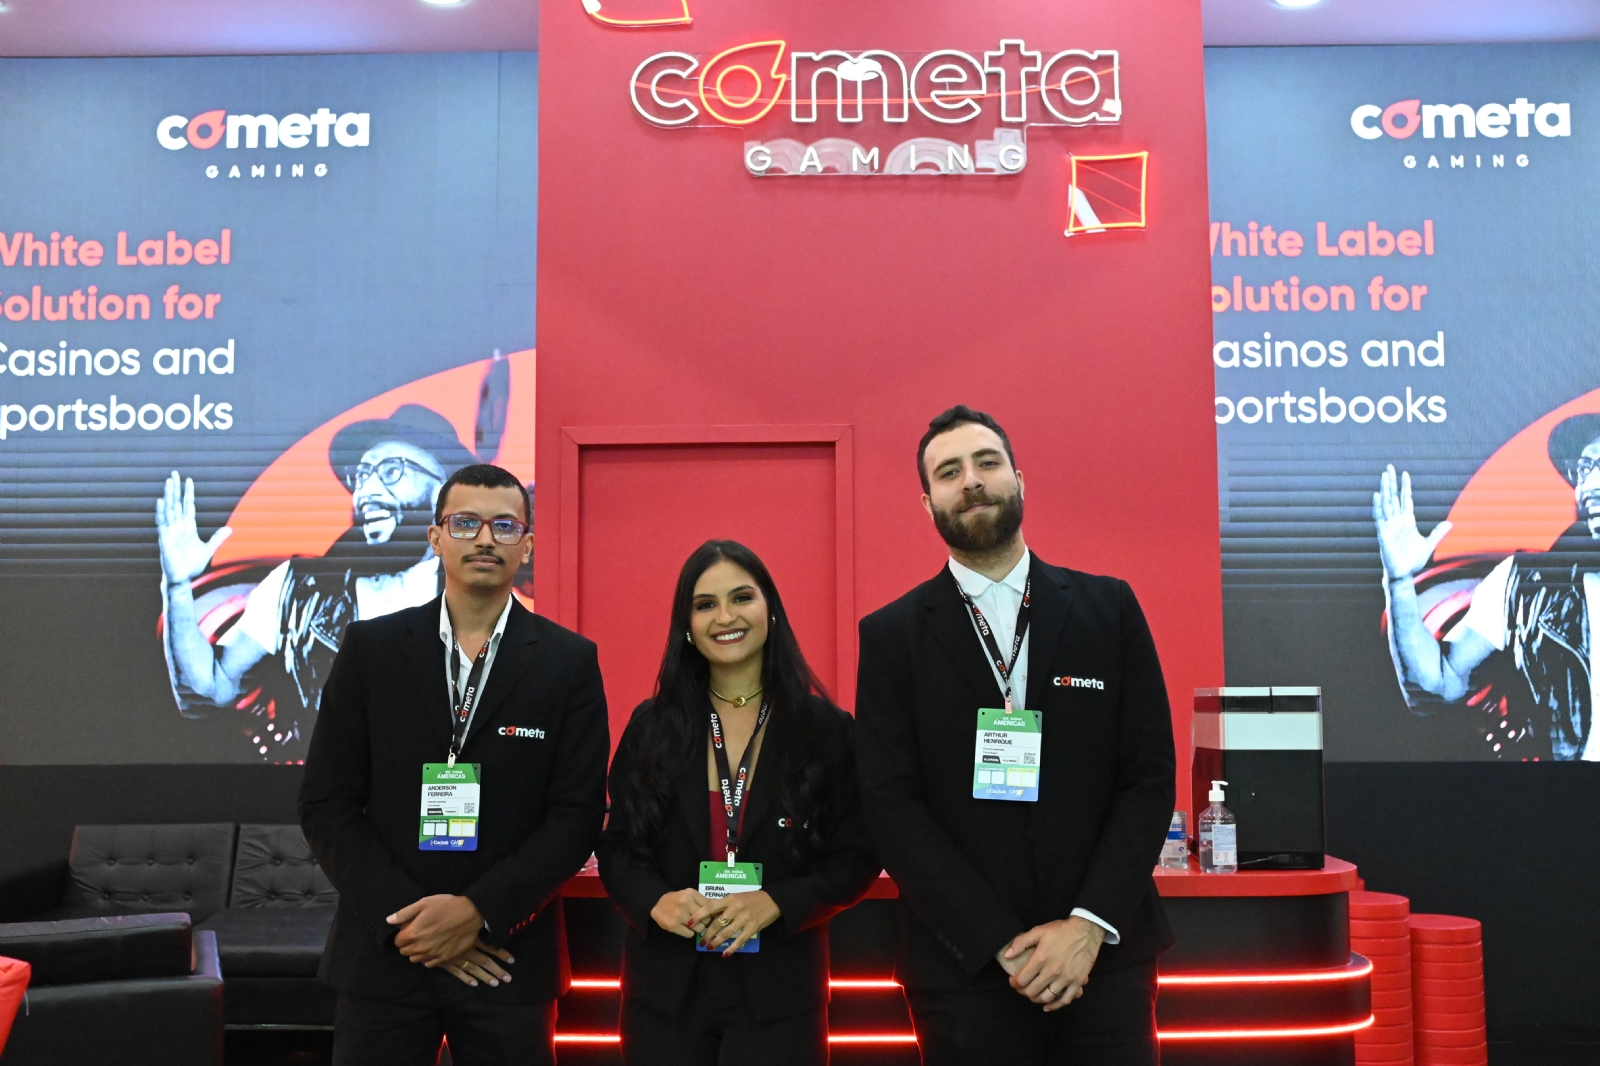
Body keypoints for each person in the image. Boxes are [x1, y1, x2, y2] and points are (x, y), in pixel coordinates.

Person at [854, 405, 1176, 1066]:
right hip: (964, 973)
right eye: (949, 472)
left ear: (1019, 480)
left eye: (986, 462)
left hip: (1103, 963)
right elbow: (891, 806)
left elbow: (1147, 778)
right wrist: (1000, 942)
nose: (971, 480)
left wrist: (1087, 927)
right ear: (928, 503)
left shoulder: (1109, 609)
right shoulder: (891, 637)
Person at [299, 462, 608, 1066]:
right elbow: (326, 804)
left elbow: (576, 816)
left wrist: (477, 915)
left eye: (504, 525)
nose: (485, 539)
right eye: (466, 523)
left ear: (527, 544)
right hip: (386, 957)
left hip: (506, 961)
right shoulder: (370, 650)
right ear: (436, 537)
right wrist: (414, 925)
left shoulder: (568, 662)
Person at [597, 540, 879, 1065]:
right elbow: (616, 846)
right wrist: (655, 901)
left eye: (741, 598)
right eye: (705, 604)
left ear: (770, 609)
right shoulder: (652, 726)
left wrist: (778, 902)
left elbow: (858, 855)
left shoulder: (826, 732)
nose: (725, 617)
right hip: (664, 994)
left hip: (781, 994)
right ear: (687, 625)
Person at [157, 403, 480, 758]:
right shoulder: (296, 588)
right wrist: (178, 587)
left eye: (391, 471)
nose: (366, 491)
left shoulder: (482, 605)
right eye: (361, 476)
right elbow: (209, 687)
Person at [1375, 412, 1600, 761]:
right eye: (1585, 469)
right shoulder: (1527, 584)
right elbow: (1439, 682)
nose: (1590, 486)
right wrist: (1401, 583)